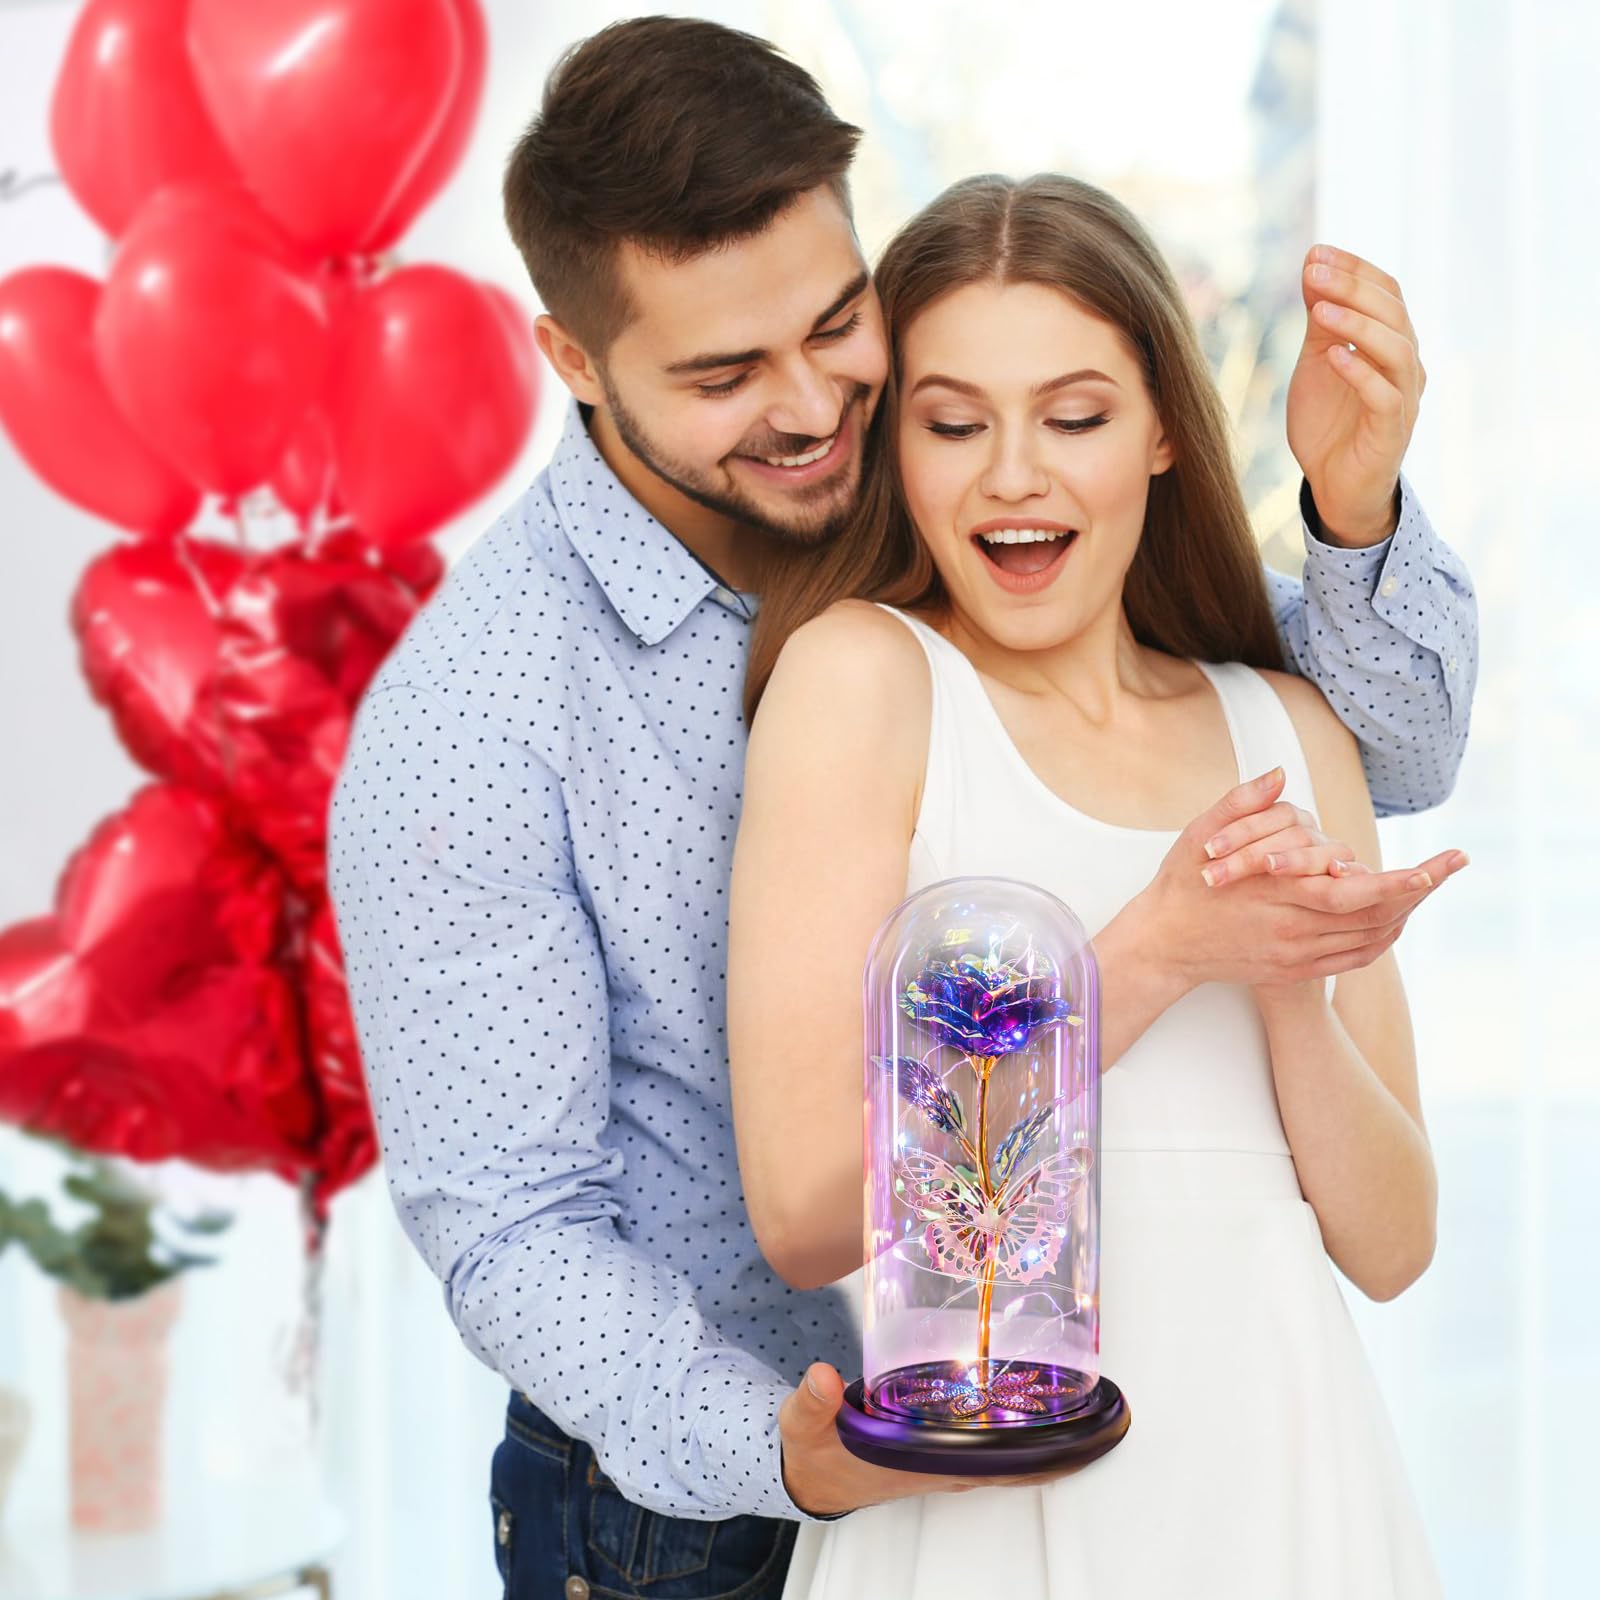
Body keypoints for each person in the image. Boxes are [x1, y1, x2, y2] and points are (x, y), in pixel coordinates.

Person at [326, 17, 1476, 1600]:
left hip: (1190, 1446)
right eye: (726, 374)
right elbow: (513, 1226)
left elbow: (1381, 745)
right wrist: (793, 1454)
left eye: (834, 324)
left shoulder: (958, 499)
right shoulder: (482, 714)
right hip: (700, 1492)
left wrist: (1351, 510)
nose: (815, 407)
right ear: (579, 361)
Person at [728, 172, 1457, 1599]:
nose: (1015, 475)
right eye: (954, 424)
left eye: (1074, 418)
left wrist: (1285, 992)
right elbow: (807, 1213)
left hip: (1287, 1492)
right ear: (897, 450)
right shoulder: (864, 681)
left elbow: (1394, 1245)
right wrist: (1160, 949)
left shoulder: (1288, 728)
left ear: (1166, 432)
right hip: (991, 1515)